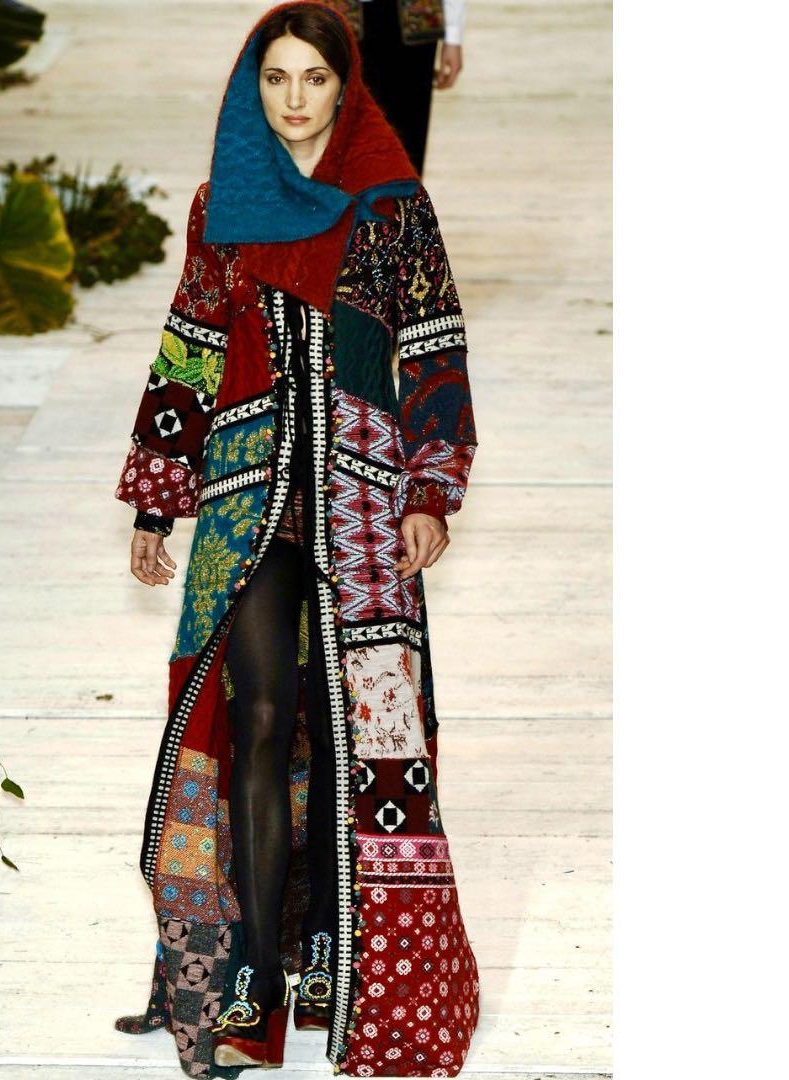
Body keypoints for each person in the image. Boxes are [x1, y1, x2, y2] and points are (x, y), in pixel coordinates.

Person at [113, 3, 479, 1075]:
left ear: (345, 85)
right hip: (247, 496)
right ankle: (254, 983)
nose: (294, 100)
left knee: (357, 727)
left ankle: (336, 958)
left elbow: (435, 351)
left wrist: (431, 490)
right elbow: (191, 340)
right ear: (253, 85)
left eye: (313, 79)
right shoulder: (224, 201)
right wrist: (158, 496)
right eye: (275, 79)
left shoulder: (394, 206)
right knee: (260, 714)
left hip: (365, 500)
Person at [319, 0, 468, 175]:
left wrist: (453, 34)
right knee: (342, 139)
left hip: (413, 21)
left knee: (407, 142)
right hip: (337, 21)